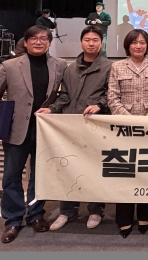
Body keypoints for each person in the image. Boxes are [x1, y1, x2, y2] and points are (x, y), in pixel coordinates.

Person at [0, 25, 67, 244]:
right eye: (34, 38)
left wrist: (52, 109)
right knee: (11, 176)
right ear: (25, 42)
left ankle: (36, 215)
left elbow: (64, 96)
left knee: (40, 176)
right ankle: (13, 220)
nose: (39, 42)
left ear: (49, 42)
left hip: (45, 130)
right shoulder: (9, 66)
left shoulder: (60, 65)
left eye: (44, 38)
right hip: (16, 129)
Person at [36, 25, 113, 231]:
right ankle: (67, 211)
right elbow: (65, 96)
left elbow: (111, 94)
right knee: (68, 168)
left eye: (95, 40)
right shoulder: (70, 69)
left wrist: (100, 105)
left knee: (95, 169)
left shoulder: (109, 67)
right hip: (70, 126)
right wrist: (52, 109)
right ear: (81, 42)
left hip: (95, 127)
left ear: (101, 43)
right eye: (87, 40)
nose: (91, 43)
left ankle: (95, 210)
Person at [107, 29, 148, 238]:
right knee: (125, 172)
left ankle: (145, 216)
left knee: (147, 172)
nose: (138, 46)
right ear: (127, 45)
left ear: (147, 45)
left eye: (142, 42)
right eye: (134, 42)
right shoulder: (117, 66)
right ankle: (123, 219)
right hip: (124, 129)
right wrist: (129, 120)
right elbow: (112, 97)